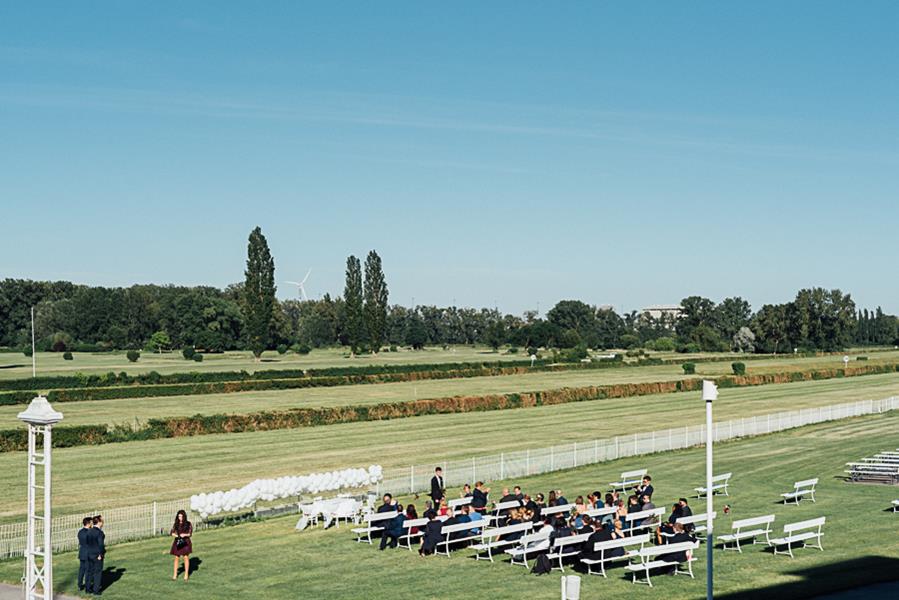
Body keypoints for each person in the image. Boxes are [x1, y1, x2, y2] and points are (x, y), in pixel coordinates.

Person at [170, 510, 193, 582]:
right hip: (178, 541)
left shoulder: (188, 524)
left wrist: (184, 535)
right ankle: (175, 574)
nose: (180, 518)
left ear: (184, 516)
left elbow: (190, 533)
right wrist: (176, 535)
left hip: (185, 542)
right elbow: (172, 532)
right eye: (179, 516)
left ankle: (186, 574)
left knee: (185, 557)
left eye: (181, 516)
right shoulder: (176, 524)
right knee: (176, 557)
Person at [89, 515, 105, 595]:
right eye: (102, 521)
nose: (103, 522)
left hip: (89, 554)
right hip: (97, 555)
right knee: (98, 572)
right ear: (99, 522)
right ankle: (96, 590)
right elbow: (100, 545)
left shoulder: (89, 531)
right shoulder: (99, 533)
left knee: (90, 571)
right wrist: (100, 554)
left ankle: (89, 588)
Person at [77, 517, 93, 592]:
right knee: (88, 571)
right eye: (91, 522)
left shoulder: (80, 532)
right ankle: (87, 587)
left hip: (82, 552)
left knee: (81, 570)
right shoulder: (90, 532)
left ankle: (79, 585)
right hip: (88, 553)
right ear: (88, 523)